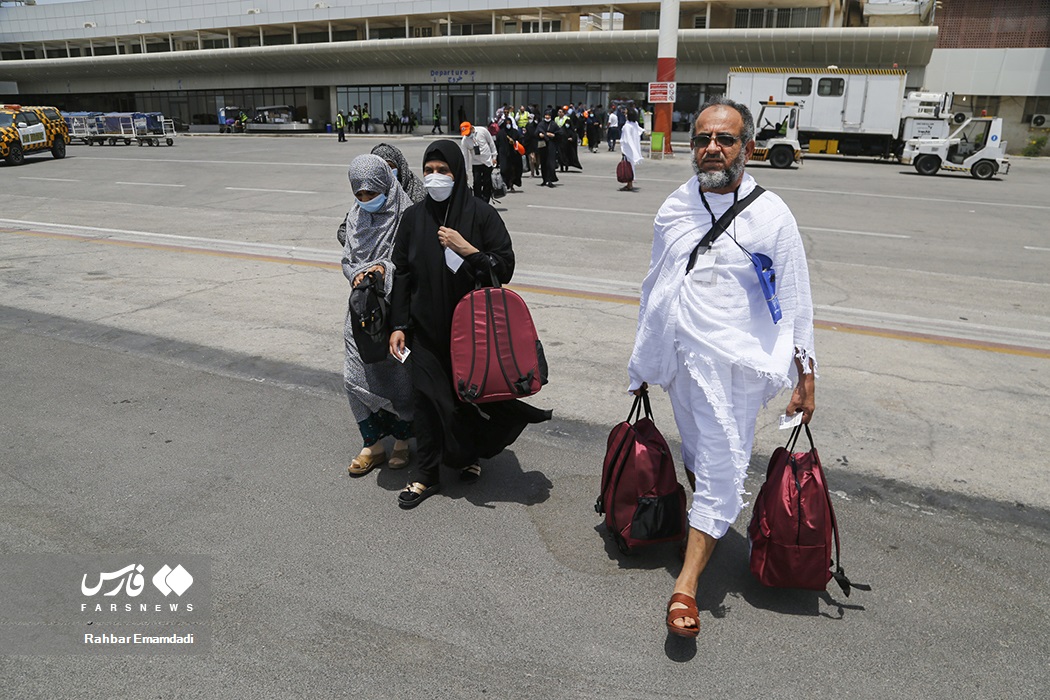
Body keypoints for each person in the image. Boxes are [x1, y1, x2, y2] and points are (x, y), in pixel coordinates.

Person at [627, 97, 816, 638]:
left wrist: (806, 376)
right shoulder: (675, 206)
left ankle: (686, 585)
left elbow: (796, 297)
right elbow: (656, 285)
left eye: (725, 140)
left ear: (747, 148)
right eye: (704, 139)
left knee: (720, 466)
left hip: (738, 366)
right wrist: (645, 355)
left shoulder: (771, 213)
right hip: (684, 361)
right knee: (699, 453)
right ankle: (711, 518)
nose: (712, 149)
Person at [388, 140, 551, 509]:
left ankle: (467, 455)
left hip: (473, 334)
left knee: (467, 399)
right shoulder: (414, 219)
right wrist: (398, 323)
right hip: (425, 330)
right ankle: (425, 475)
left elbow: (504, 266)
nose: (434, 177)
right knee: (427, 401)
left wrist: (469, 250)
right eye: (428, 170)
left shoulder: (481, 215)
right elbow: (403, 274)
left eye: (442, 171)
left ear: (457, 173)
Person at [339, 154, 415, 478]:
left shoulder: (407, 213)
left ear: (386, 183)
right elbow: (346, 259)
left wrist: (385, 269)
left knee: (399, 378)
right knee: (353, 375)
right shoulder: (355, 217)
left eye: (371, 193)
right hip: (362, 310)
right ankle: (372, 443)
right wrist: (356, 273)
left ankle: (401, 440)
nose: (366, 201)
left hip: (396, 309)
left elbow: (413, 259)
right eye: (359, 195)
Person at [459, 121, 497, 203]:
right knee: (477, 183)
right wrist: (465, 171)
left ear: (472, 128)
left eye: (468, 132)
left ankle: (485, 202)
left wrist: (494, 156)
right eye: (465, 133)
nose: (467, 135)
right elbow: (465, 157)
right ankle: (478, 202)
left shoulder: (482, 131)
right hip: (476, 163)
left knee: (487, 182)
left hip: (487, 161)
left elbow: (491, 143)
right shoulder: (464, 141)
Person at [618, 108, 644, 192]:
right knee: (630, 165)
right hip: (633, 148)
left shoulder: (627, 126)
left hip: (628, 148)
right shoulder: (634, 124)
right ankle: (630, 183)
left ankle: (629, 184)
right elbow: (640, 131)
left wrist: (623, 149)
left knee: (628, 166)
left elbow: (627, 138)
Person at [535, 110, 560, 188]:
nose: (547, 117)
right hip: (543, 146)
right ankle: (544, 180)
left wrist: (553, 135)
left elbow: (560, 133)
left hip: (551, 146)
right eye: (546, 115)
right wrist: (540, 134)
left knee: (550, 164)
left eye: (548, 115)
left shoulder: (553, 124)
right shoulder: (541, 124)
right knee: (543, 163)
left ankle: (550, 180)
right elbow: (535, 132)